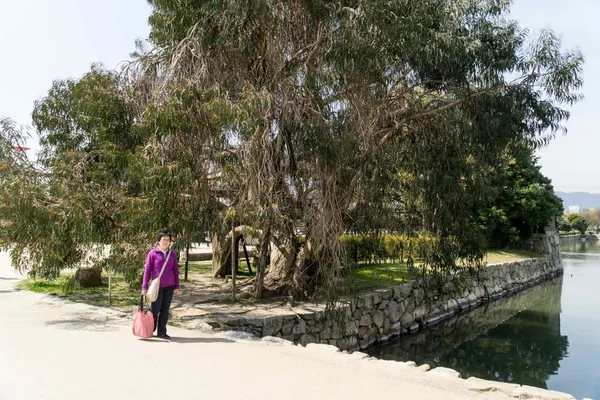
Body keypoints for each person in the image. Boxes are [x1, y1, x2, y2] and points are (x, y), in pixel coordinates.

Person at [141, 231, 180, 339]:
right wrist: (144, 287)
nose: (166, 242)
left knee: (165, 309)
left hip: (170, 286)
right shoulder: (152, 253)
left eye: (168, 240)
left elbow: (176, 271)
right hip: (157, 287)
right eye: (164, 239)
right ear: (158, 241)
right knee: (155, 309)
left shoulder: (172, 254)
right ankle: (150, 330)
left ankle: (162, 331)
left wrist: (177, 286)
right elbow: (147, 271)